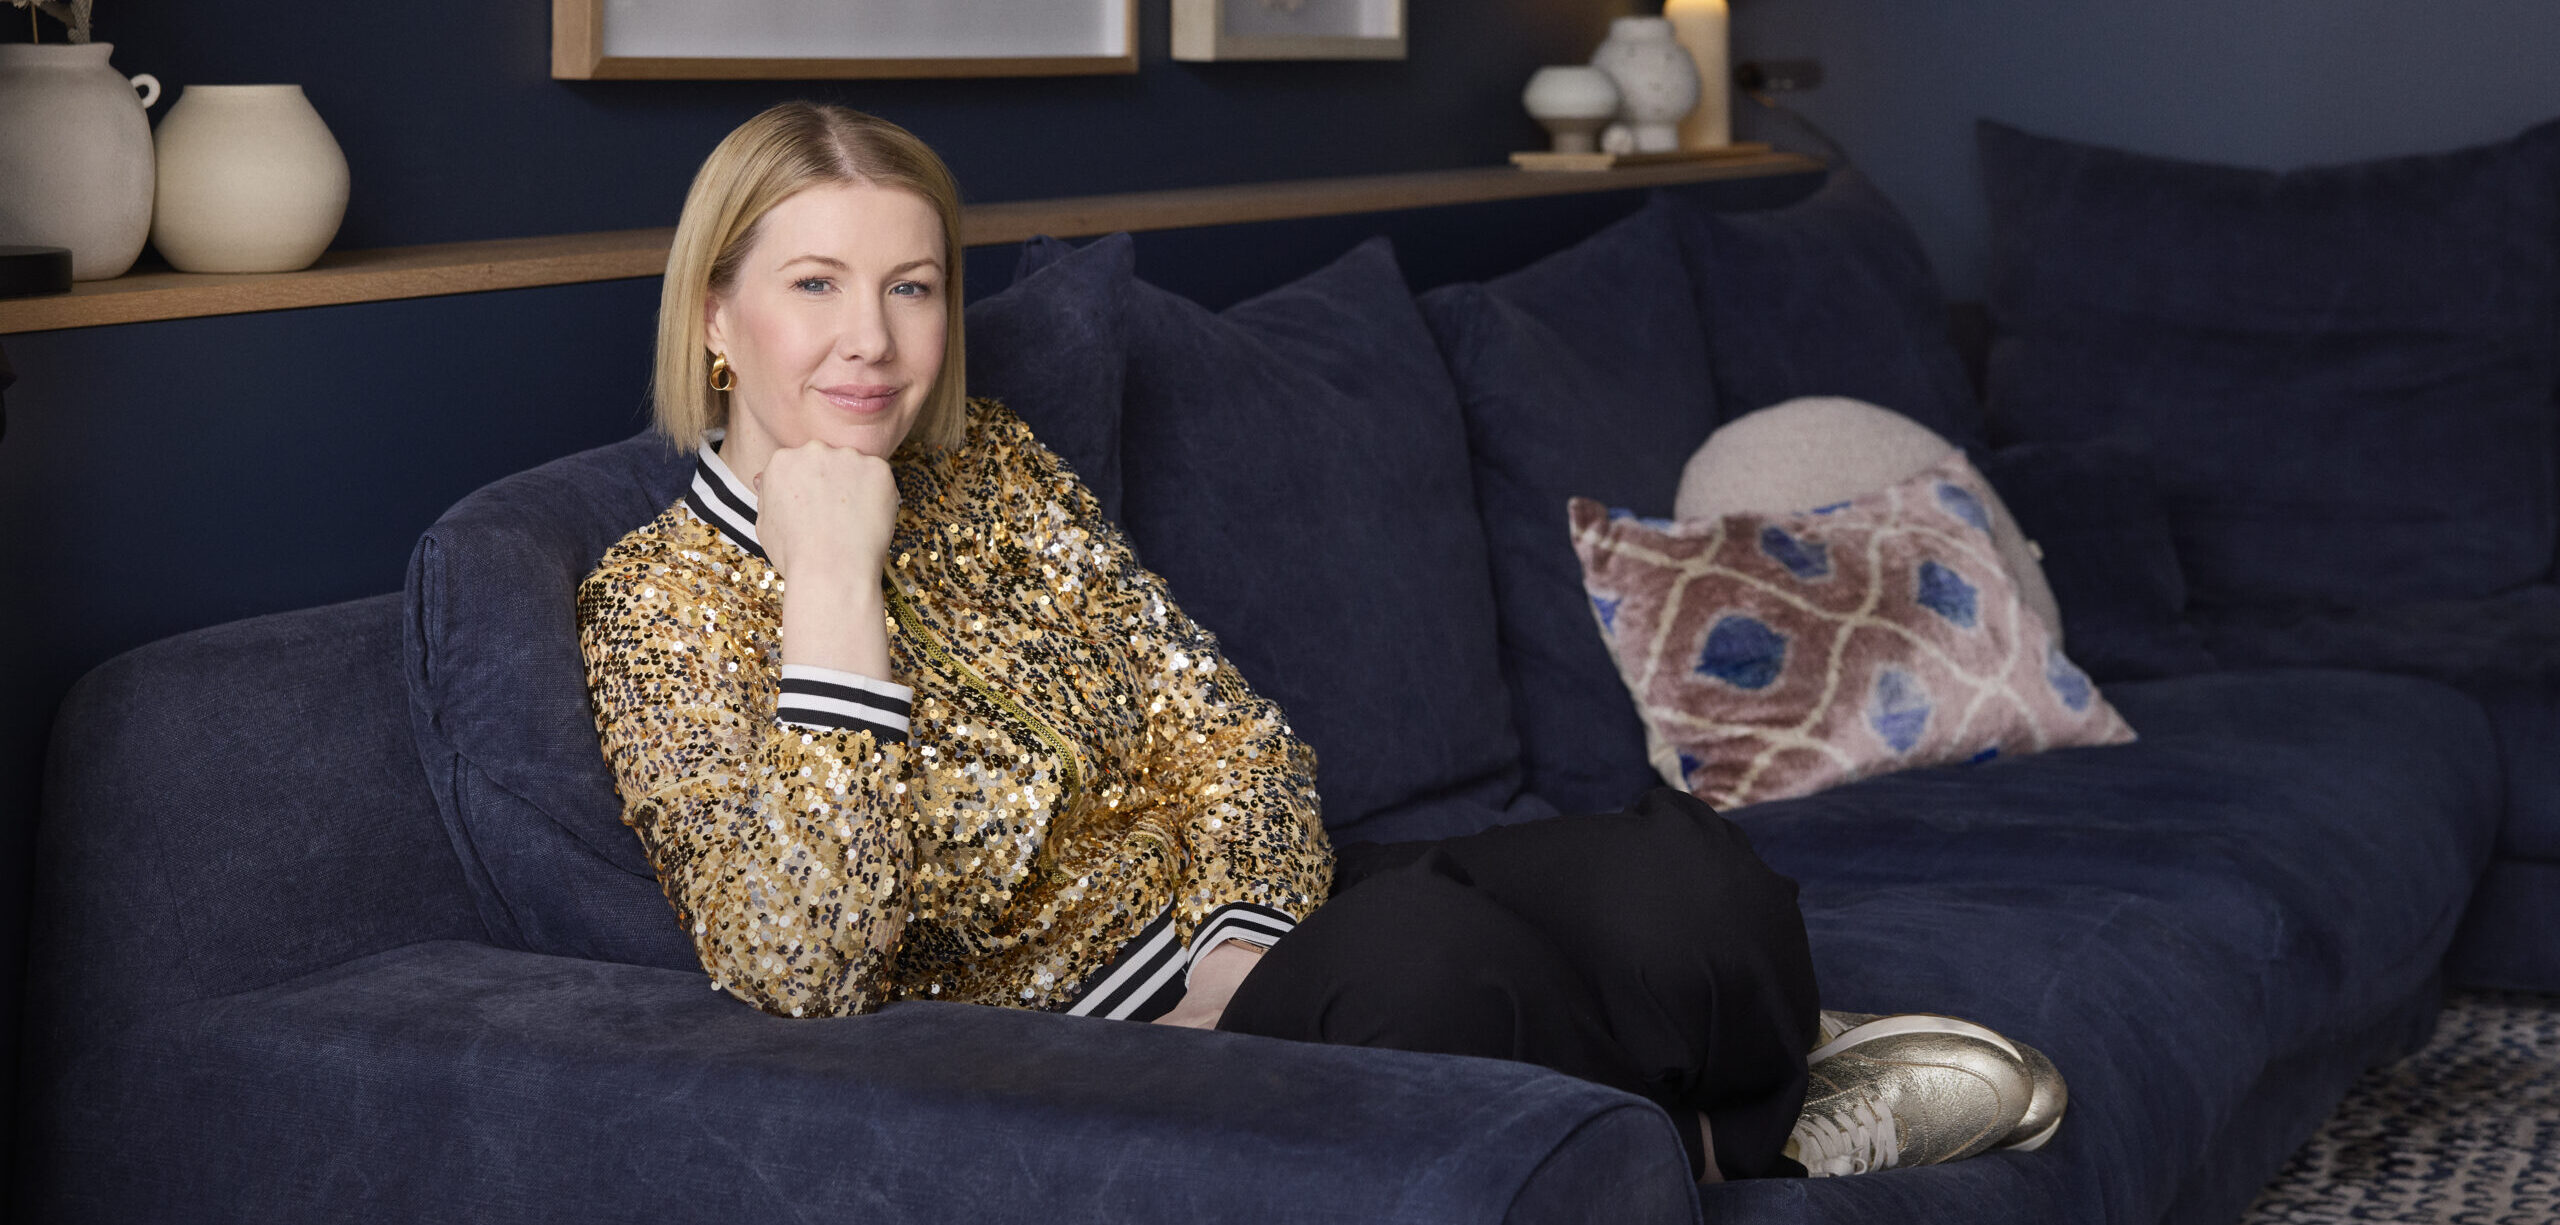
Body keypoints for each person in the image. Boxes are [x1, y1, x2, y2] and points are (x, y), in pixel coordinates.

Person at [577, 101, 2044, 1186]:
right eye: (816, 284)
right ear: (717, 317)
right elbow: (806, 968)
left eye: (912, 285)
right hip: (1076, 1054)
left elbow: (1229, 734)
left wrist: (1239, 943)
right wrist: (832, 586)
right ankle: (1741, 1136)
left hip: (1247, 943)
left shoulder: (992, 472)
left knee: (1687, 878)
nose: (874, 340)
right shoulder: (656, 603)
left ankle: (1711, 1116)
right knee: (1437, 965)